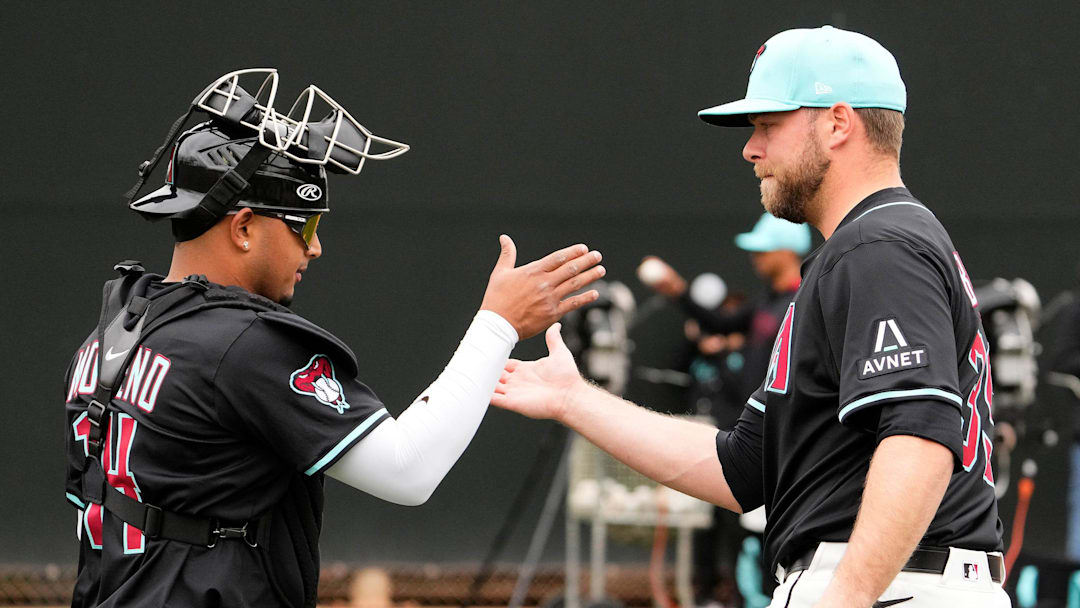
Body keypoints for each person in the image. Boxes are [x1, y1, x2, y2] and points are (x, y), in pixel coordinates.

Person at [493, 26, 1008, 607]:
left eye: (768, 125)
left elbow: (918, 436)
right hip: (891, 581)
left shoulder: (878, 246)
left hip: (889, 587)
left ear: (838, 123)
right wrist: (573, 399)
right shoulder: (863, 249)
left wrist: (846, 598)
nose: (750, 148)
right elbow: (742, 471)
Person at [62, 69, 605, 608]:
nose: (315, 249)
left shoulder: (115, 331)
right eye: (306, 224)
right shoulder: (241, 344)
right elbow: (409, 468)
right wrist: (499, 322)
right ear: (244, 227)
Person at [643, 212, 810, 413]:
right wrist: (678, 291)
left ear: (787, 252)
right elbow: (721, 323)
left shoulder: (806, 300)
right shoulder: (767, 299)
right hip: (752, 417)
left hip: (782, 420)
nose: (754, 257)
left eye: (763, 251)